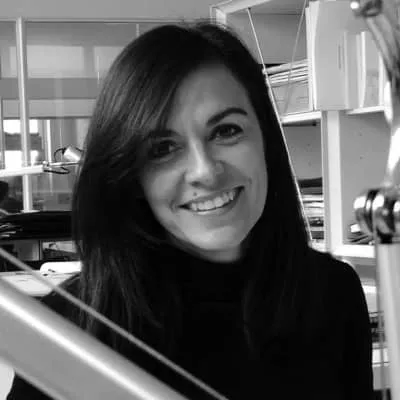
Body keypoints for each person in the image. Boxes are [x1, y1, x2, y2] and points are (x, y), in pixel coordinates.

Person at [7, 21, 374, 399]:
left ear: (265, 137)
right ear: (132, 177)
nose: (206, 172)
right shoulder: (65, 331)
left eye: (226, 130)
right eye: (163, 149)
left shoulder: (333, 291)